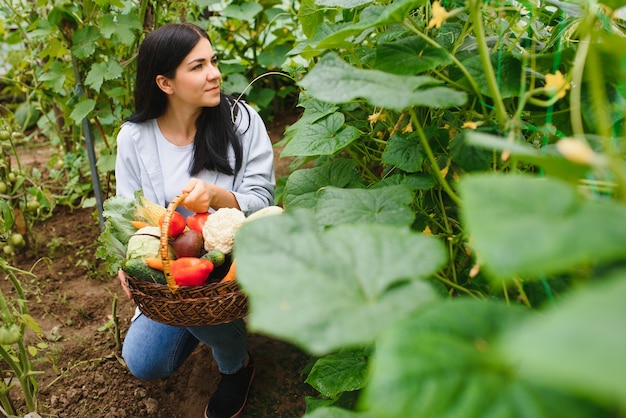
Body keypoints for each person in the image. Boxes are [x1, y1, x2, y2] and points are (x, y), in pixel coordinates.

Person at [114, 23, 275, 418]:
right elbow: (129, 210)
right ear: (165, 83)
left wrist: (219, 197)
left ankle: (236, 365)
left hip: (230, 269)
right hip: (170, 271)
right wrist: (127, 261)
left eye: (213, 61)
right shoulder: (134, 138)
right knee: (144, 362)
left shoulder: (241, 120)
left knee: (205, 299)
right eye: (198, 66)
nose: (215, 73)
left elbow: (264, 198)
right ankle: (212, 328)